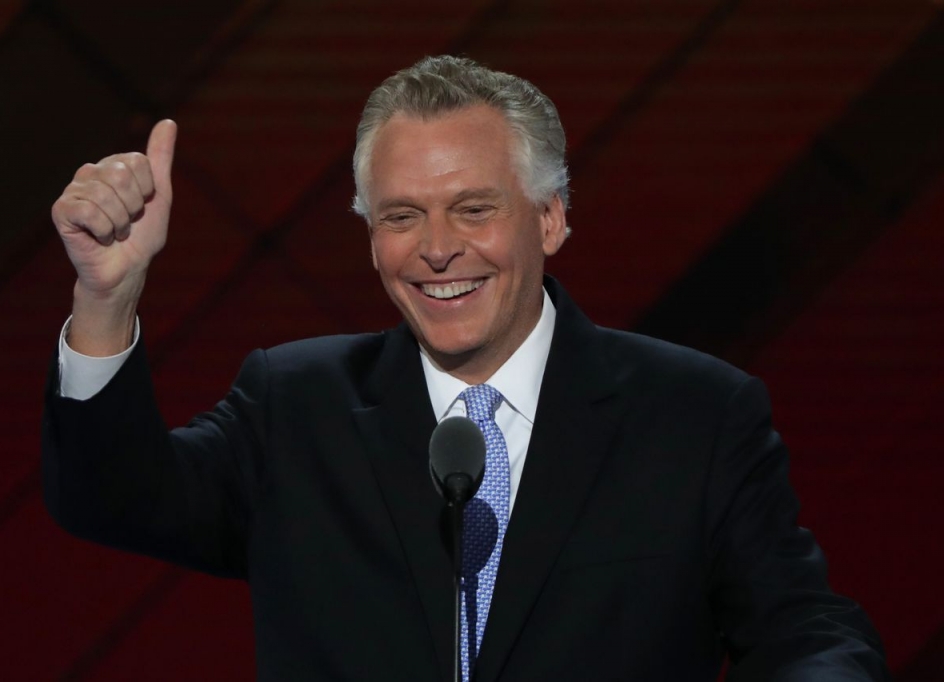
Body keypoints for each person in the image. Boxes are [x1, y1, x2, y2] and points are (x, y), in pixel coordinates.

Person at [44, 56, 889, 681]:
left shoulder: (694, 415)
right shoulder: (293, 407)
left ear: (552, 218)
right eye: (402, 215)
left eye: (474, 209)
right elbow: (110, 497)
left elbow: (803, 630)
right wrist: (107, 296)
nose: (438, 249)